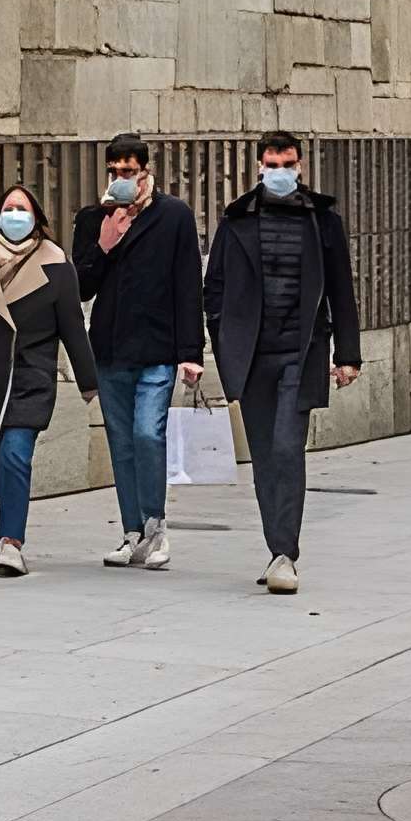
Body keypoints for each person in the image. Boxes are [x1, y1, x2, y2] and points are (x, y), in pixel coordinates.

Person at [203, 131, 361, 595]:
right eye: (271, 163)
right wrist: (223, 339)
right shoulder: (237, 221)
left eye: (286, 163)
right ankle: (276, 547)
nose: (278, 171)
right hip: (252, 358)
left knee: (289, 449)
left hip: (302, 352)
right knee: (265, 457)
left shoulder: (322, 221)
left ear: (300, 166)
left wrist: (347, 354)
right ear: (258, 167)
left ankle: (285, 554)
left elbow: (340, 289)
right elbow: (214, 289)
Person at [0, 185, 98, 577]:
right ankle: (10, 529)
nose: (14, 215)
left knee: (15, 453)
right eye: (8, 208)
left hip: (31, 376)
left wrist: (89, 380)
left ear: (36, 216)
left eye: (22, 208)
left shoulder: (56, 265)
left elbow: (73, 327)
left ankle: (10, 542)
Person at [71, 132, 204, 571]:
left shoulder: (173, 217)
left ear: (146, 171)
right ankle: (132, 532)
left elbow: (188, 285)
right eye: (114, 171)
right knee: (121, 443)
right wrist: (104, 244)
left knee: (149, 434)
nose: (121, 178)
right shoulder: (94, 218)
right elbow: (81, 287)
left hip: (158, 350)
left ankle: (156, 526)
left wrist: (191, 351)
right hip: (109, 350)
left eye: (129, 171)